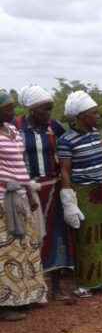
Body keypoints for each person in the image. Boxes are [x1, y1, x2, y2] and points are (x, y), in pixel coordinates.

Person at [15, 85, 73, 300]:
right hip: (25, 190)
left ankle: (56, 287)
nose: (48, 114)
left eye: (50, 109)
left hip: (52, 188)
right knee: (29, 237)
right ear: (31, 110)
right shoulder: (16, 127)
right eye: (44, 110)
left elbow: (67, 148)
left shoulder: (54, 128)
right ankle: (31, 287)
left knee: (56, 235)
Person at [58, 91, 102, 297]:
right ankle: (86, 283)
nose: (98, 117)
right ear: (82, 116)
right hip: (83, 192)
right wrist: (69, 201)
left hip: (100, 190)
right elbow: (64, 170)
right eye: (94, 114)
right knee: (87, 238)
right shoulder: (66, 140)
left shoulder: (94, 135)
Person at [0, 90, 47, 321]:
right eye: (7, 108)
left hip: (20, 195)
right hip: (2, 198)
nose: (12, 112)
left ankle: (25, 296)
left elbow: (22, 165)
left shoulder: (14, 132)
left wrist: (28, 192)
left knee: (25, 247)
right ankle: (6, 303)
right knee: (5, 253)